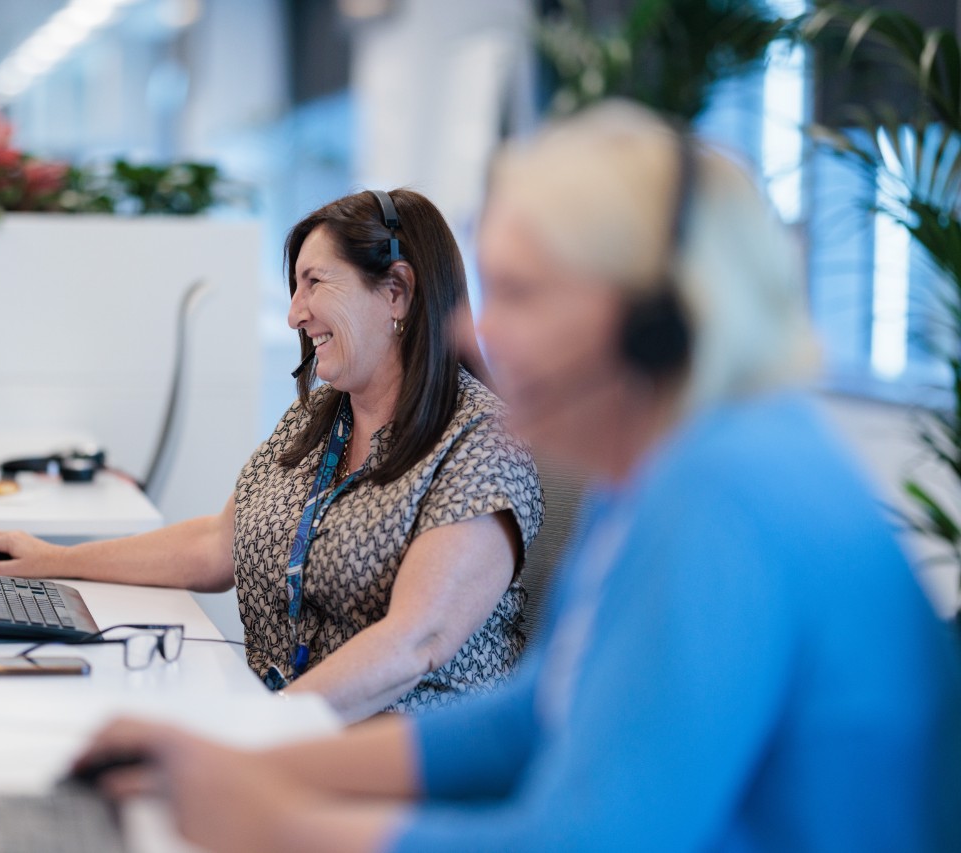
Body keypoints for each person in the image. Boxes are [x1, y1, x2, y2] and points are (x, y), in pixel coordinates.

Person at [70, 101, 961, 851]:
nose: (471, 336)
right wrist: (252, 752)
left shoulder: (728, 491)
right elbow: (530, 721)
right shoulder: (656, 473)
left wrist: (282, 821)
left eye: (523, 295)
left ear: (655, 320)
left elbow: (592, 838)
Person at [0, 188, 543, 721]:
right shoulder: (319, 418)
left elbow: (417, 642)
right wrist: (50, 560)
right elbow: (218, 542)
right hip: (289, 731)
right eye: (294, 288)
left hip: (403, 768)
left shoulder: (481, 444)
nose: (294, 313)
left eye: (315, 282)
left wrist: (258, 728)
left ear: (396, 292)